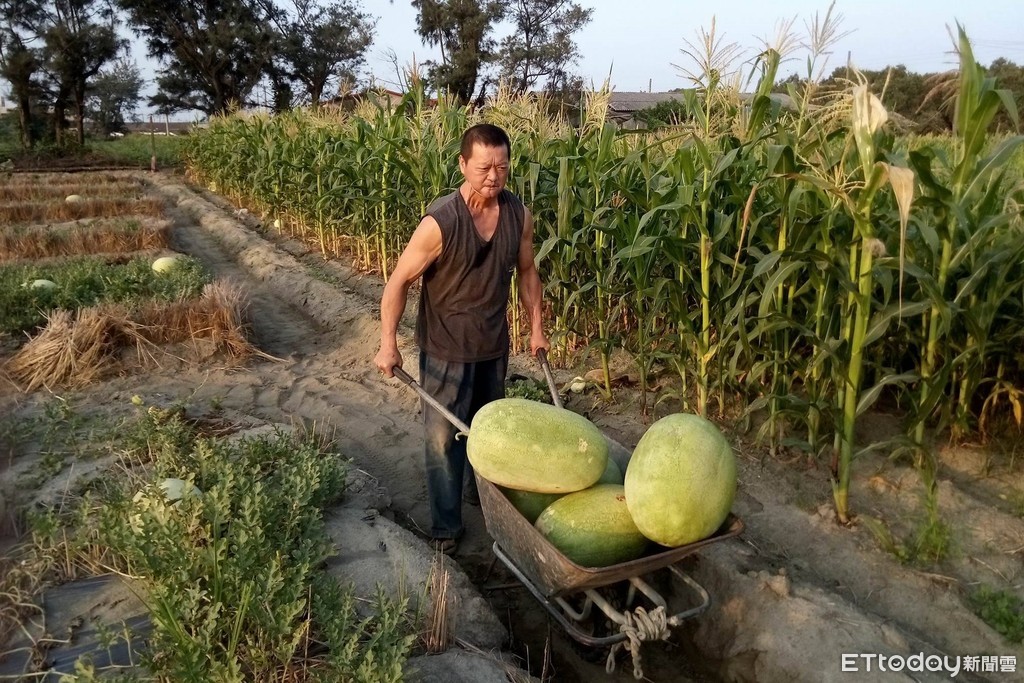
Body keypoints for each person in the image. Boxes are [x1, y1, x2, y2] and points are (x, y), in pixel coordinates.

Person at [373, 123, 549, 555]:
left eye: (503, 167)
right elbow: (398, 281)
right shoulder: (441, 222)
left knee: (489, 432)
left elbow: (527, 271)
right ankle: (447, 528)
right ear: (463, 165)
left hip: (493, 346)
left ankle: (479, 498)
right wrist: (387, 341)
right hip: (446, 349)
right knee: (442, 440)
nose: (494, 176)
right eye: (485, 167)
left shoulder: (517, 215)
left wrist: (538, 327)